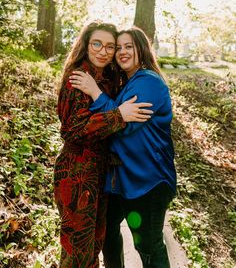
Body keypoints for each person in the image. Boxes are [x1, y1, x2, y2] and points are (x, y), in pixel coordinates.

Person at [70, 27, 177, 268]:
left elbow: (124, 126)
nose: (122, 51)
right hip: (120, 181)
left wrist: (95, 92)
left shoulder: (148, 82)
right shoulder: (124, 83)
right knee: (107, 233)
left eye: (129, 46)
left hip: (147, 182)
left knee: (148, 245)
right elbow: (118, 116)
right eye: (118, 47)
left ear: (142, 49)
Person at [54, 22, 153, 268]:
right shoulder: (77, 77)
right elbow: (72, 130)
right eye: (97, 43)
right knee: (78, 251)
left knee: (94, 245)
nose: (103, 51)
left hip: (100, 174)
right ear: (86, 45)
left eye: (110, 46)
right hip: (76, 174)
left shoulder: (108, 78)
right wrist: (118, 115)